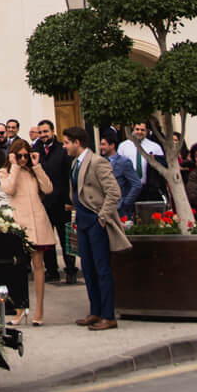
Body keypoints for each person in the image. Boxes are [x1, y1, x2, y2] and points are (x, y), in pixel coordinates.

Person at [63, 125, 129, 331]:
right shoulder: (75, 163)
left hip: (95, 221)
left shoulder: (97, 162)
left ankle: (108, 315)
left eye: (66, 142)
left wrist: (102, 216)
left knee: (102, 269)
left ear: (77, 142)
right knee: (88, 269)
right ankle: (96, 311)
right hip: (82, 220)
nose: (64, 146)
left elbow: (114, 191)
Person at [0, 136, 56, 325]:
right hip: (19, 222)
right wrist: (14, 166)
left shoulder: (33, 171)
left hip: (37, 221)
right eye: (20, 155)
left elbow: (48, 189)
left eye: (26, 155)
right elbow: (8, 189)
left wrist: (37, 166)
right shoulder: (5, 171)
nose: (24, 159)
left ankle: (39, 310)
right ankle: (20, 309)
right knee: (18, 269)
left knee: (38, 265)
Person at [33, 120, 75, 286]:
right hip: (44, 203)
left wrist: (68, 200)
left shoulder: (62, 150)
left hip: (61, 202)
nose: (43, 135)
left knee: (66, 240)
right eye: (41, 132)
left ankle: (71, 270)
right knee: (47, 240)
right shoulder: (36, 150)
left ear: (52, 131)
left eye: (46, 132)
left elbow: (68, 177)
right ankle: (52, 271)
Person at [100, 128, 145, 218]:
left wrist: (125, 203)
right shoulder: (100, 162)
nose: (101, 147)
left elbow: (137, 184)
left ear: (112, 145)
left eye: (103, 144)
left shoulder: (124, 162)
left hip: (120, 210)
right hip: (104, 208)